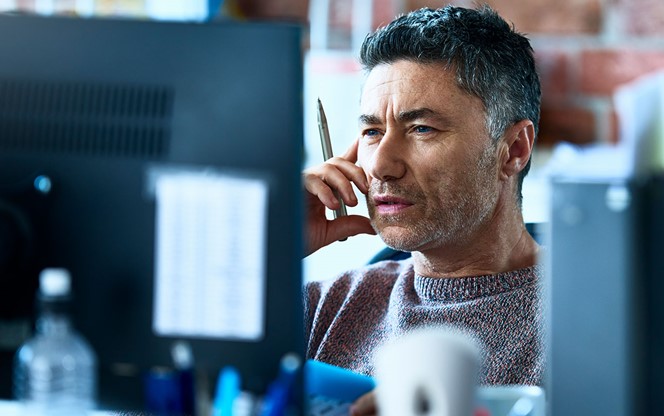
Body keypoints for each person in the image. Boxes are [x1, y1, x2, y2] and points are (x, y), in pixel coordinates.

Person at [303, 4, 543, 415]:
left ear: (513, 150)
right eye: (373, 131)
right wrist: (267, 250)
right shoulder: (325, 305)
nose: (379, 164)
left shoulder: (599, 326)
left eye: (421, 129)